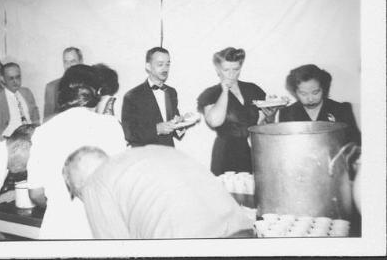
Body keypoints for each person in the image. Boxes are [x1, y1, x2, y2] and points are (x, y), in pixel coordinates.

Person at [62, 145, 254, 239]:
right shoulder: (149, 153)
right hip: (242, 237)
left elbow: (115, 250)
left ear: (80, 187)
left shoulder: (95, 183)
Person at [27, 64, 126, 239]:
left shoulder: (43, 132)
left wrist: (61, 204)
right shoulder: (111, 127)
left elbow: (35, 193)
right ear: (96, 92)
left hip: (56, 227)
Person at [197, 47, 278, 175]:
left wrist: (270, 118)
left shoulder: (253, 89)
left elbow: (261, 127)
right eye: (226, 70)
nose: (231, 74)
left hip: (253, 149)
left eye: (235, 69)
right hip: (226, 153)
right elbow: (214, 121)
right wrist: (224, 91)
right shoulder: (211, 93)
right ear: (218, 69)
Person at [279, 64, 361, 145]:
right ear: (295, 92)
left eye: (315, 92)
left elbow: (355, 143)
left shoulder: (341, 109)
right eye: (304, 94)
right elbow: (284, 146)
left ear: (323, 88)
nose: (310, 99)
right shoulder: (287, 113)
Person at [121, 47, 186, 147]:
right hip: (145, 156)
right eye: (160, 64)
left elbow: (175, 130)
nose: (165, 69)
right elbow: (129, 133)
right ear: (148, 66)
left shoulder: (171, 92)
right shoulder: (132, 96)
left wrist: (181, 124)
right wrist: (157, 129)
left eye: (167, 64)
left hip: (168, 154)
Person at [0, 62, 39, 141]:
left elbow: (35, 113)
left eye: (18, 77)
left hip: (31, 137)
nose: (15, 81)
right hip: (11, 141)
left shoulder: (27, 92)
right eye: (11, 78)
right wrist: (0, 139)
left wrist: (37, 129)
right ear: (3, 79)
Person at [43, 47, 83, 122]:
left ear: (81, 62)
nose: (69, 66)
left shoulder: (89, 84)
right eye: (66, 62)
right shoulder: (52, 87)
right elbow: (47, 120)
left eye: (73, 61)